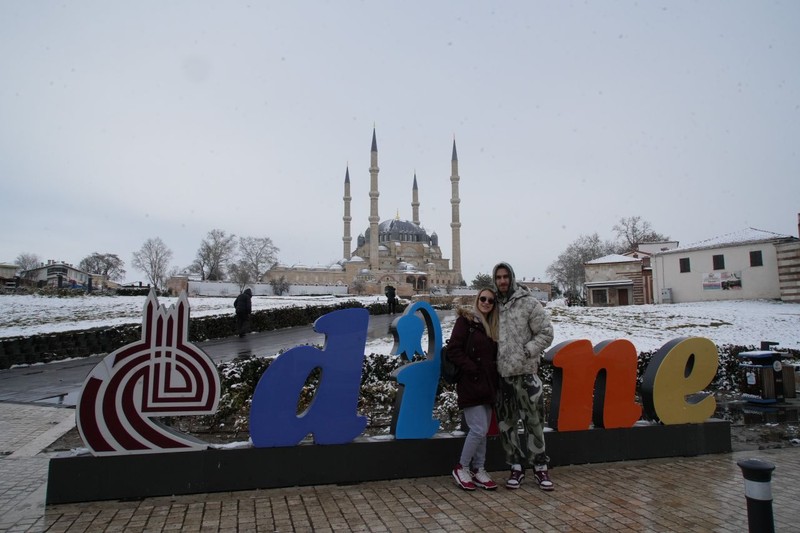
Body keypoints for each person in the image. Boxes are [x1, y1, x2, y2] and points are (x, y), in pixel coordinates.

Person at [493, 262, 555, 490]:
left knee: (534, 423)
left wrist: (527, 351)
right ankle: (516, 467)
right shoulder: (492, 305)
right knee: (507, 425)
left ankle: (540, 467)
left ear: (512, 278)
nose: (502, 281)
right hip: (503, 376)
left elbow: (546, 333)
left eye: (505, 277)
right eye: (498, 277)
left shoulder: (529, 303)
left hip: (527, 374)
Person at [447, 288, 500, 491]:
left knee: (483, 430)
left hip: (488, 384)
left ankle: (479, 469)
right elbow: (453, 349)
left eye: (491, 301)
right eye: (483, 299)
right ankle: (462, 467)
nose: (486, 302)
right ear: (477, 299)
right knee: (478, 429)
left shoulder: (491, 327)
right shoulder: (466, 322)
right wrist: (473, 369)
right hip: (471, 382)